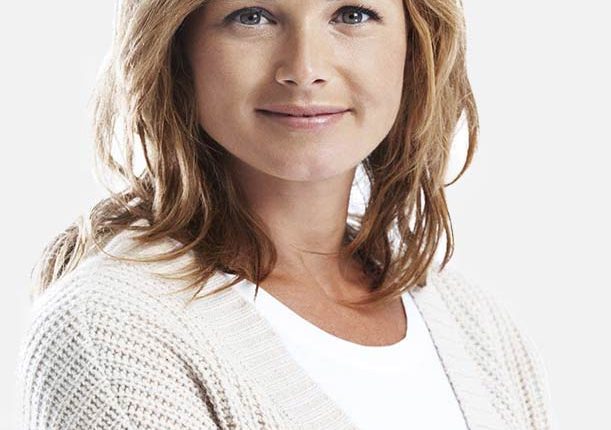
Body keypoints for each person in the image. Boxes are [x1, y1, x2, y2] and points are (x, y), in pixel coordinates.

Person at [18, 0, 554, 429]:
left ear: (416, 47)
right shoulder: (111, 331)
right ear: (178, 47)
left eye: (352, 14)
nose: (305, 70)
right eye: (252, 16)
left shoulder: (474, 324)